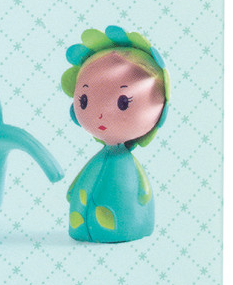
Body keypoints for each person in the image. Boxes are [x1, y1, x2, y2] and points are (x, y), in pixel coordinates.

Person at [60, 25, 170, 243]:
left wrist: (143, 192)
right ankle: (87, 225)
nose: (101, 114)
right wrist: (74, 188)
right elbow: (86, 174)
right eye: (84, 100)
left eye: (123, 102)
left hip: (126, 223)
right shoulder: (105, 158)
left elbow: (142, 188)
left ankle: (115, 227)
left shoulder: (126, 163)